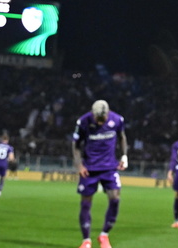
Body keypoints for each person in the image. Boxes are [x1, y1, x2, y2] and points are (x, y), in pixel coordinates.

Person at [72, 99, 128, 248]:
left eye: (103, 120)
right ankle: (86, 241)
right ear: (92, 114)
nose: (100, 123)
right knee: (85, 204)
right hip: (89, 169)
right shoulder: (83, 122)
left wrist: (124, 156)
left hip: (109, 167)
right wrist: (79, 165)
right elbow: (76, 145)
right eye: (98, 119)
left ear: (108, 114)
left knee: (115, 199)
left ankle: (104, 235)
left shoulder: (117, 120)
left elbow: (122, 137)